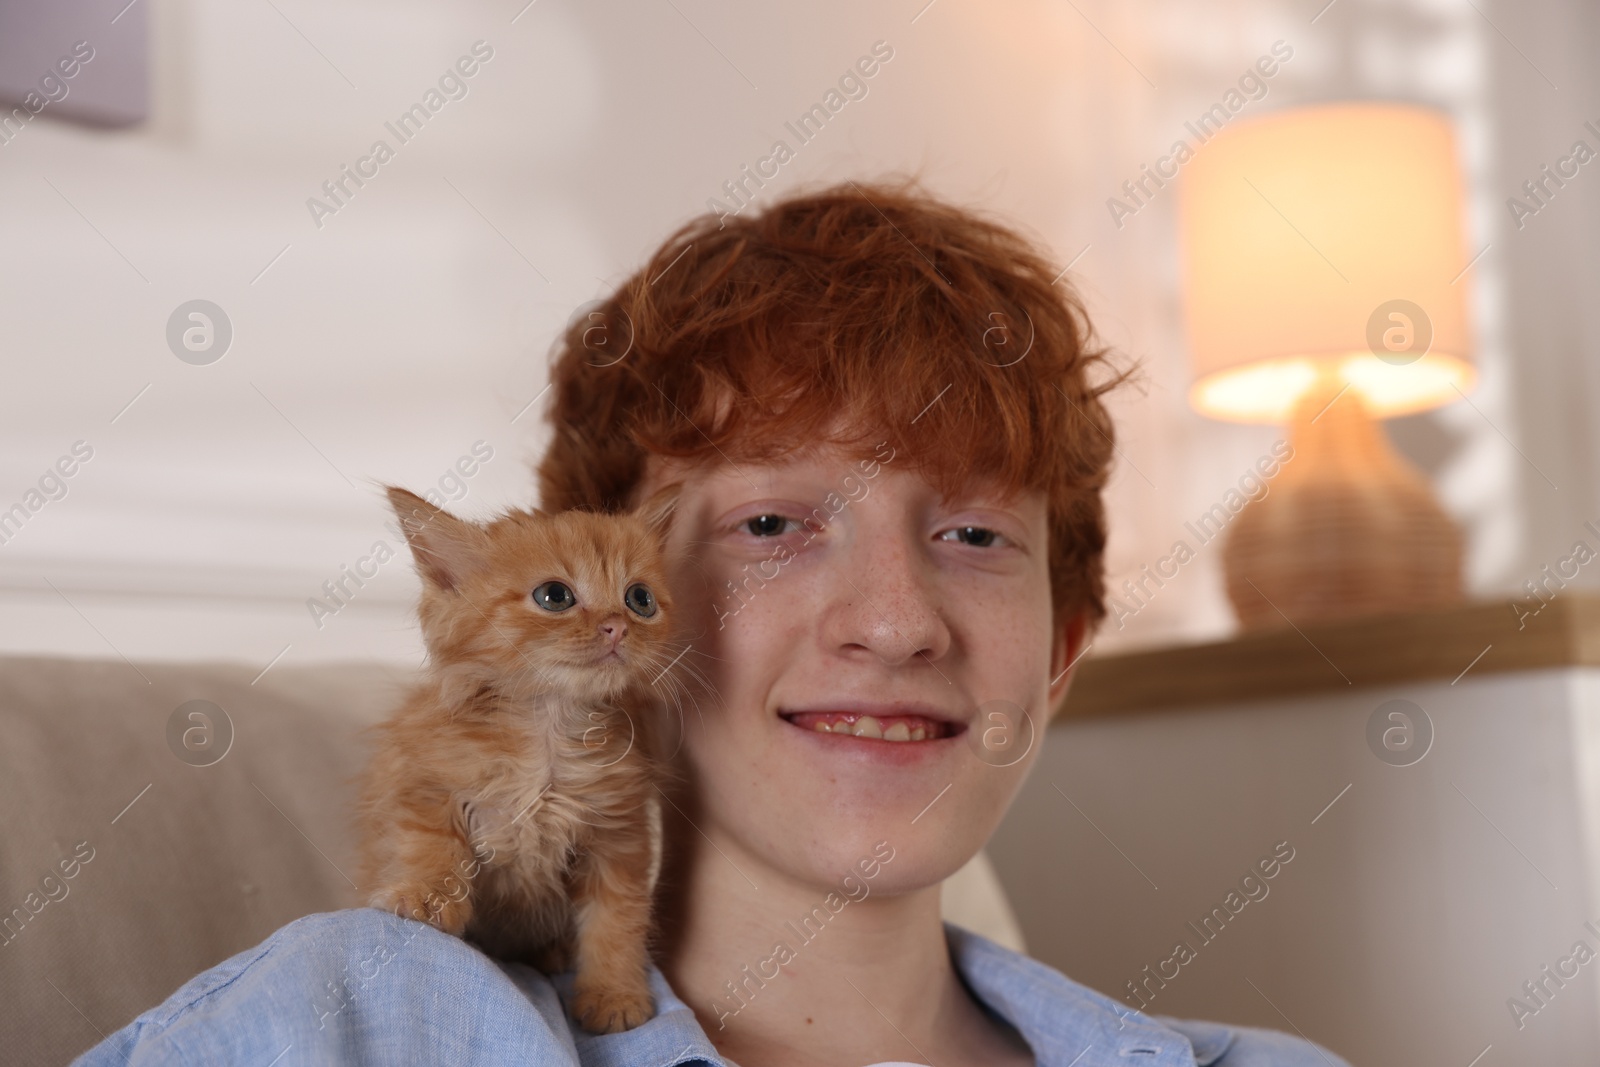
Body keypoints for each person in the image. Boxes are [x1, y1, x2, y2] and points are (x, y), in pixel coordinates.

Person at [75, 182, 1348, 1067]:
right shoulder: (363, 1020)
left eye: (971, 534)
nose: (899, 622)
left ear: (1061, 648)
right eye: (773, 525)